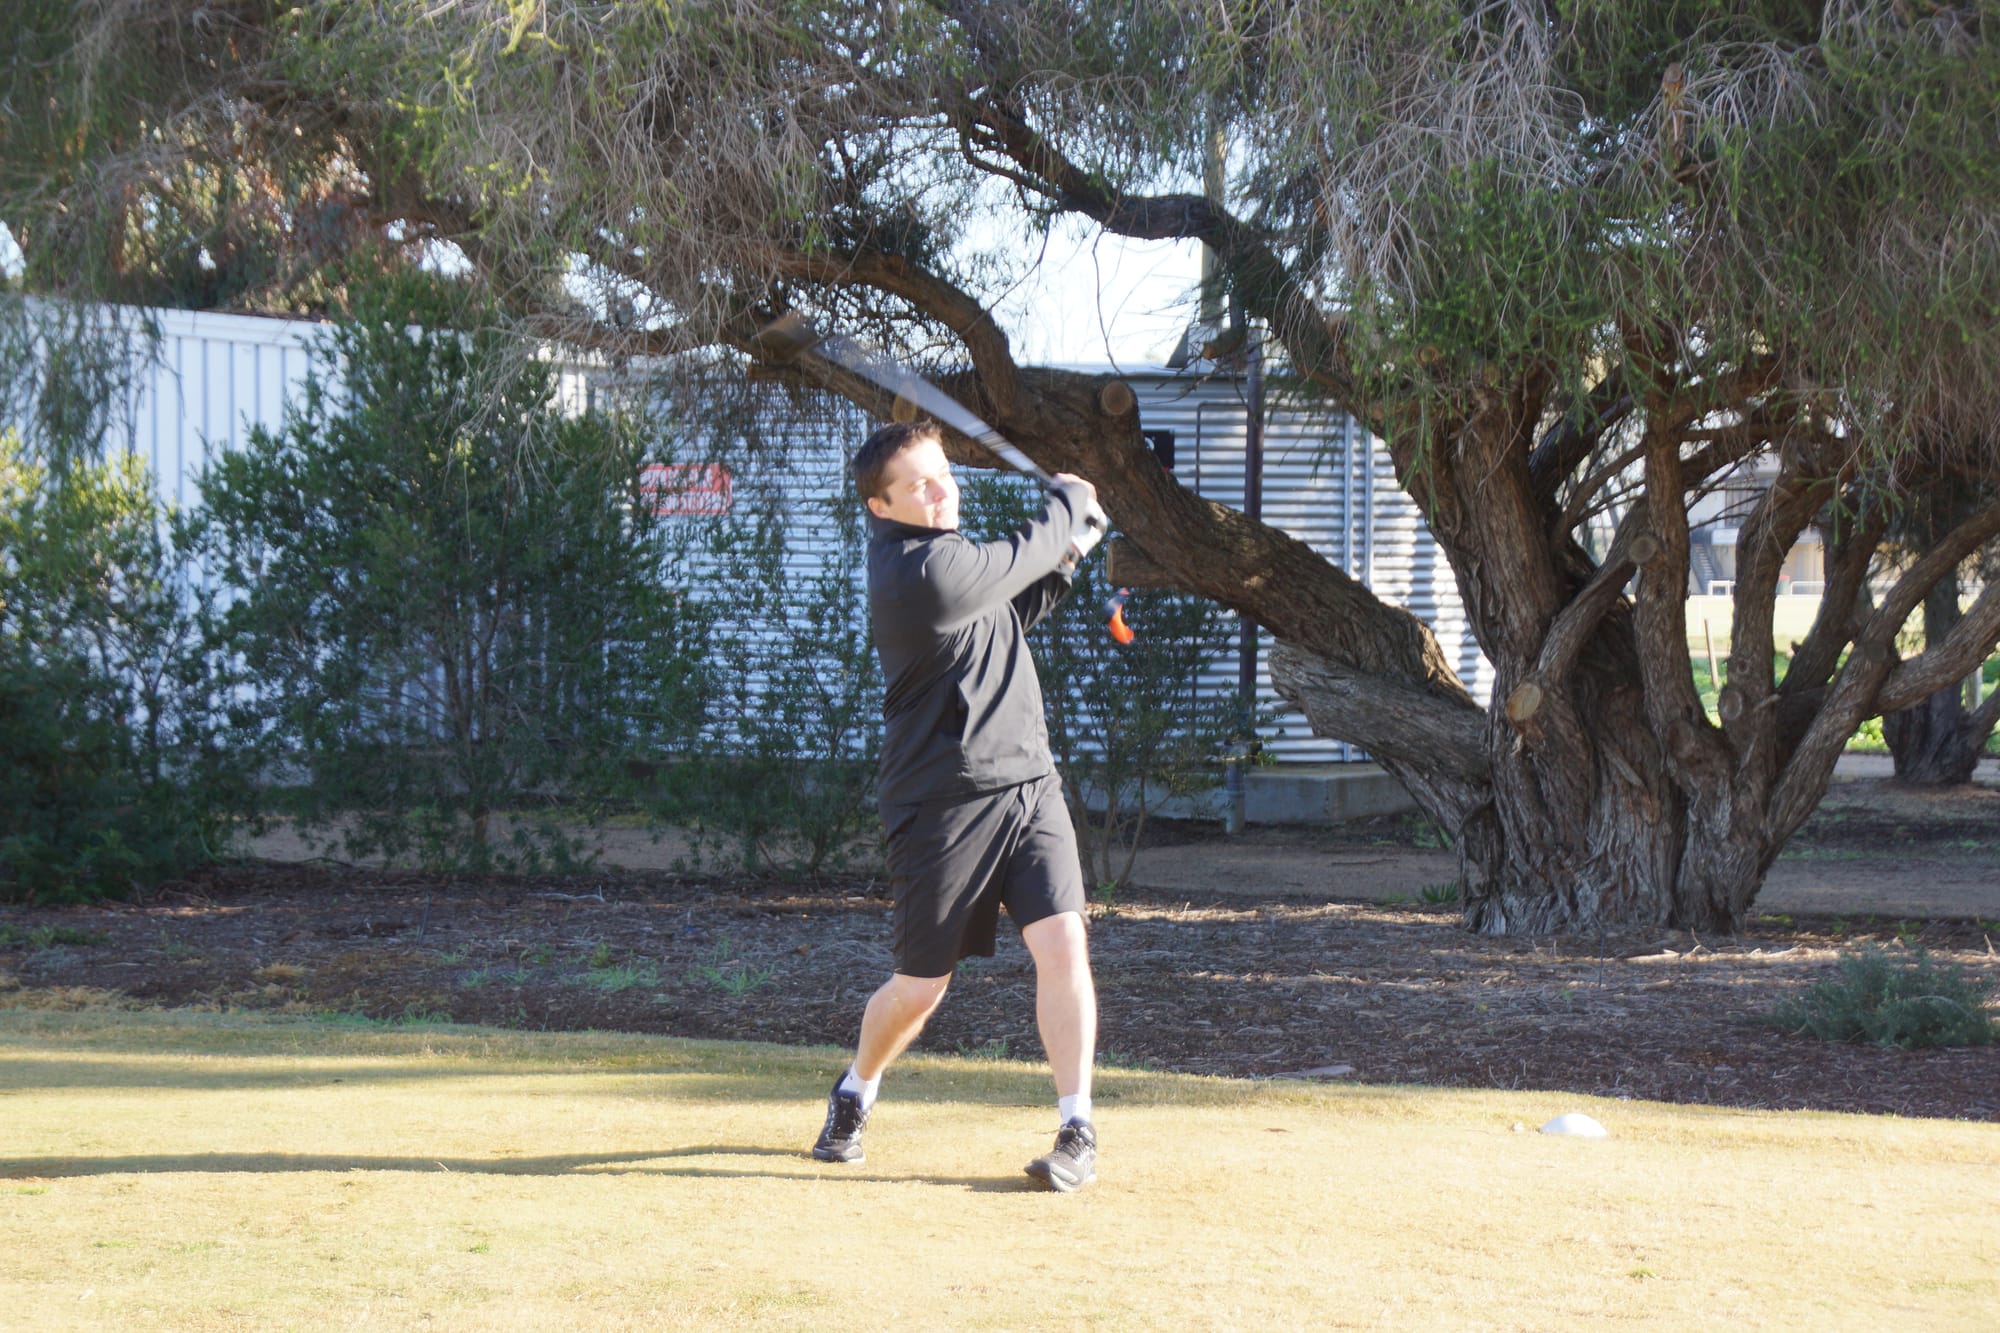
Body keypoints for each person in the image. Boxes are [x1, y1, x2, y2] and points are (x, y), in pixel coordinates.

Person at [811, 419, 1105, 1192]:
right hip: (939, 804)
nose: (944, 490)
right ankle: (854, 1092)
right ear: (882, 506)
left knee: (1064, 945)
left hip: (1027, 783)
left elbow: (1014, 602)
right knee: (921, 986)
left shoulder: (956, 563)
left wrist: (1072, 547)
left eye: (945, 474)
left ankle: (1077, 1127)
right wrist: (1066, 508)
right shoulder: (917, 573)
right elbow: (1014, 559)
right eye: (920, 483)